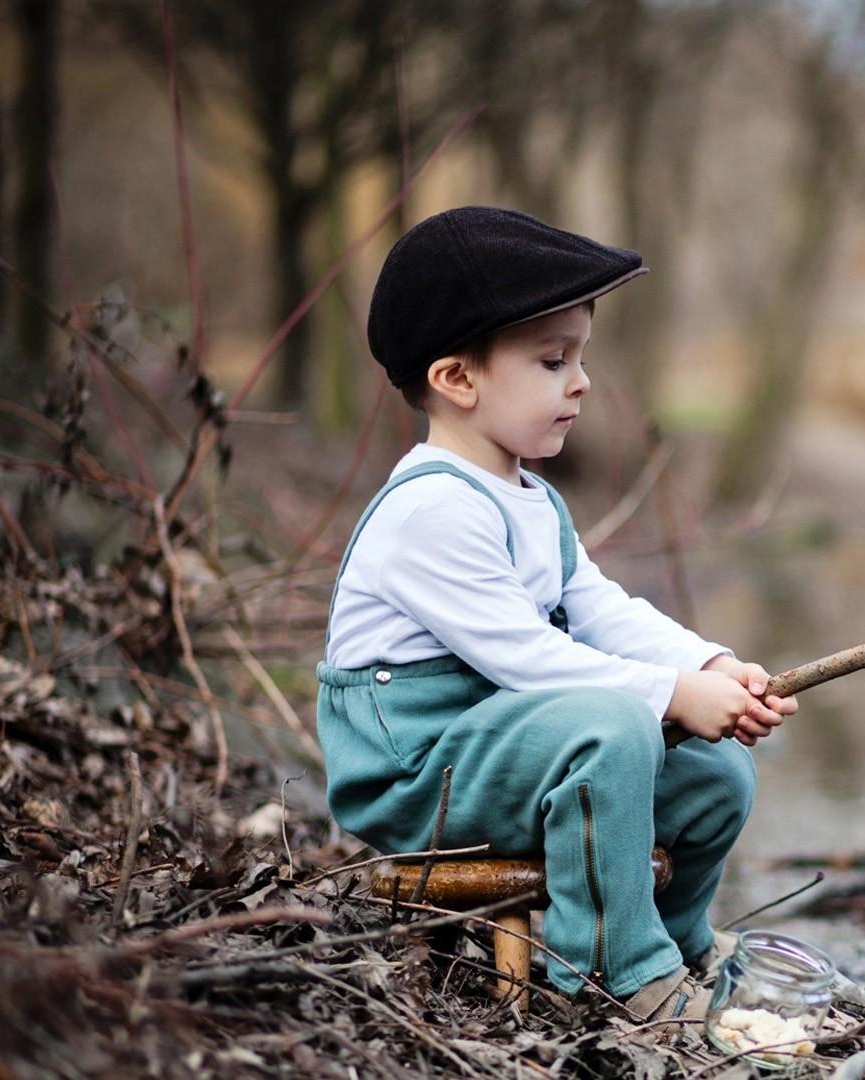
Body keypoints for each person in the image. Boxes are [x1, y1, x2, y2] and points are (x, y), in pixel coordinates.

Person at [317, 206, 796, 1021]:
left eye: (580, 357)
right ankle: (616, 971)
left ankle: (677, 948)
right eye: (551, 360)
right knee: (613, 728)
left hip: (500, 746)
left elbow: (600, 609)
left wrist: (709, 665)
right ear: (457, 380)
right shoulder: (431, 508)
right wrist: (671, 695)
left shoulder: (531, 498)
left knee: (716, 773)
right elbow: (528, 659)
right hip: (416, 771)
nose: (579, 381)